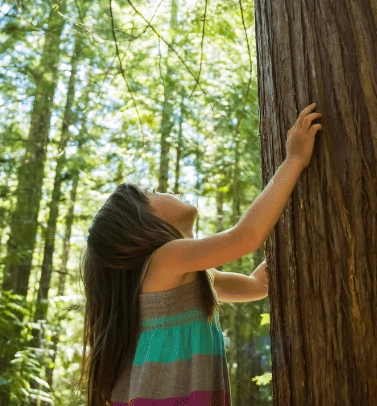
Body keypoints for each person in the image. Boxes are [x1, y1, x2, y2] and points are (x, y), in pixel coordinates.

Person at [80, 102, 323, 406]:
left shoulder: (194, 280)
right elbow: (245, 237)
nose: (163, 190)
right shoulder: (165, 259)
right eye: (152, 193)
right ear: (141, 227)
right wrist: (295, 160)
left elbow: (258, 286)